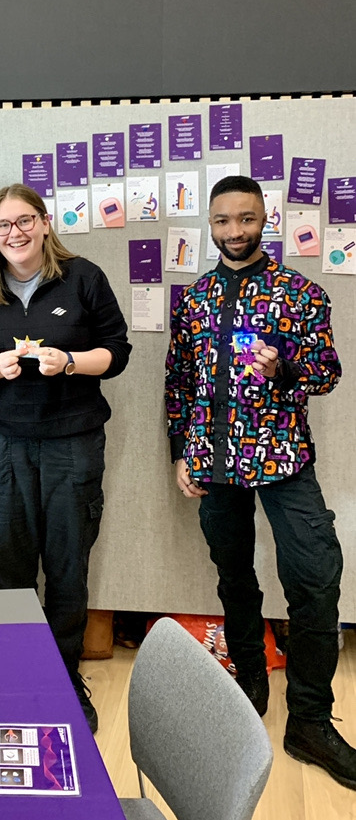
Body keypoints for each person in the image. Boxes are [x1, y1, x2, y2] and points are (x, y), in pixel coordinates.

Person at [166, 174, 355, 789]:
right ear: (210, 225)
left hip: (283, 458)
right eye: (223, 221)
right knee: (234, 576)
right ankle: (249, 681)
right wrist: (180, 453)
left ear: (264, 219)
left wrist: (287, 366)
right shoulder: (193, 300)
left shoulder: (299, 292)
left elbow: (327, 373)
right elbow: (180, 386)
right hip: (214, 459)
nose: (235, 231)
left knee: (316, 577)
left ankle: (309, 720)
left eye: (246, 219)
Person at [0, 183, 131, 734]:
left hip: (72, 440)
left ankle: (63, 675)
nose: (15, 233)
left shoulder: (84, 278)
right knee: (6, 560)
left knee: (67, 561)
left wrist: (71, 362)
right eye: (3, 225)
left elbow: (117, 351)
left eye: (25, 221)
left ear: (45, 223)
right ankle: (12, 671)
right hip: (1, 441)